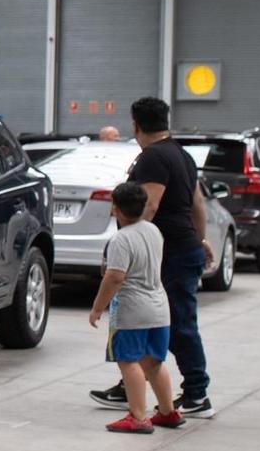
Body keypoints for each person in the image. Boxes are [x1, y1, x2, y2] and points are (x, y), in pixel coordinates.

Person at [89, 98, 214, 417]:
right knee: (143, 319)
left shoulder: (153, 157)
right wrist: (200, 239)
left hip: (170, 253)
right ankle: (130, 385)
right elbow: (197, 205)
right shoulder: (181, 154)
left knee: (178, 324)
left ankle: (197, 394)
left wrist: (124, 245)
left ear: (135, 126)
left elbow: (150, 206)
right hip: (180, 248)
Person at [89, 182, 182, 434]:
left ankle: (138, 416)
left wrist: (98, 307)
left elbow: (115, 277)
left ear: (115, 208)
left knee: (129, 362)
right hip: (159, 309)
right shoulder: (153, 230)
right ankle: (167, 411)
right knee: (154, 362)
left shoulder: (121, 239)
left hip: (133, 312)